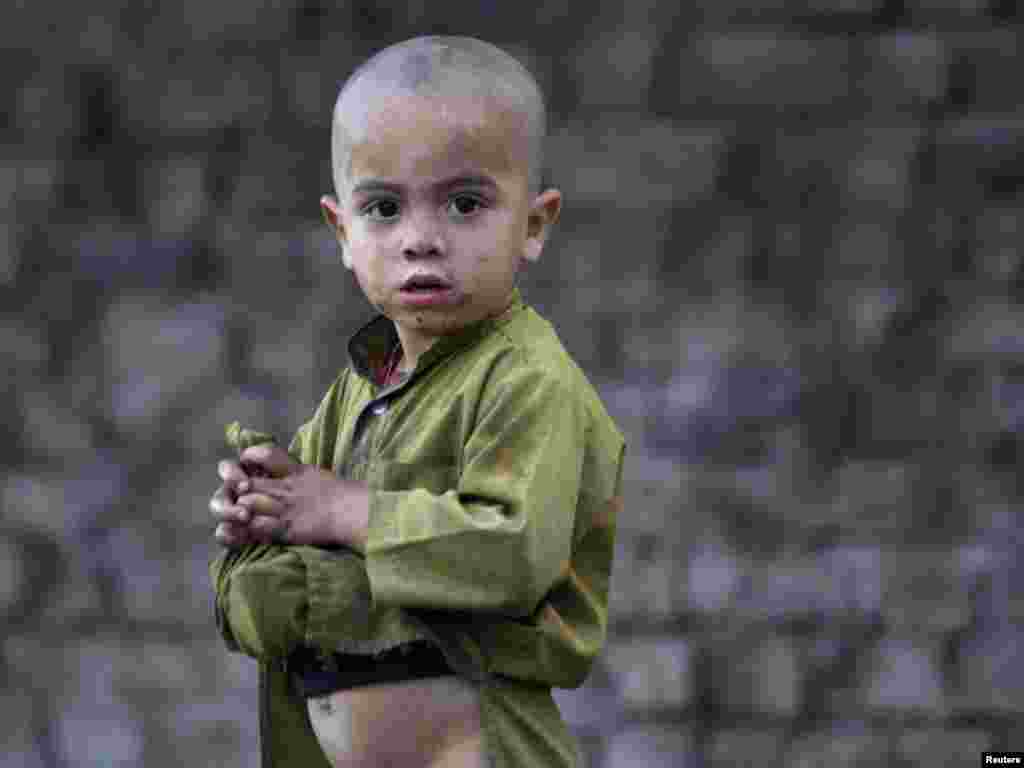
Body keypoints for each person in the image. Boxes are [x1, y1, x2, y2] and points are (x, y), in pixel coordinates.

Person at [208, 35, 626, 768]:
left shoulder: (528, 381)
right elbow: (296, 563)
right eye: (383, 208)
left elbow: (512, 553)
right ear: (342, 231)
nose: (420, 239)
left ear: (534, 224)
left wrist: (342, 509)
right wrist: (260, 514)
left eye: (465, 203)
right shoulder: (361, 386)